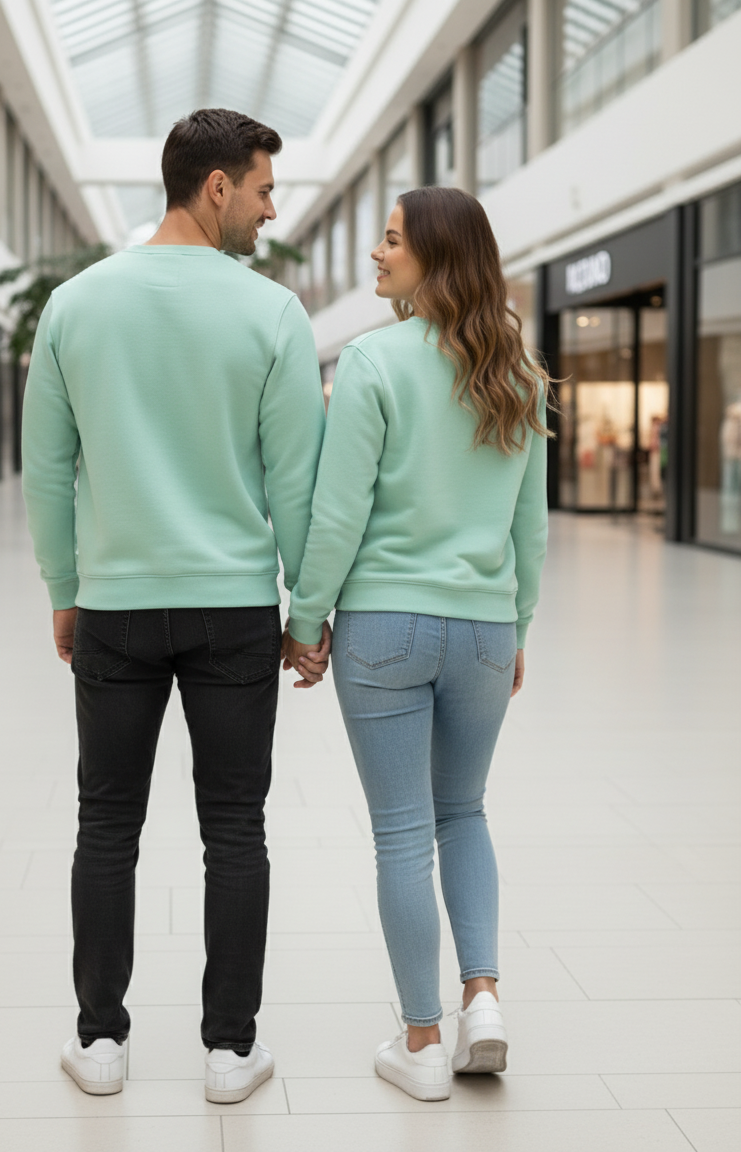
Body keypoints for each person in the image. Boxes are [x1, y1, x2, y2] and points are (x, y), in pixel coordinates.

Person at [22, 108, 330, 1105]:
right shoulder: (270, 313)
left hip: (114, 605)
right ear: (214, 188)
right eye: (263, 188)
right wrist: (308, 610)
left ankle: (99, 1042)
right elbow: (297, 486)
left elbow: (47, 472)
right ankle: (229, 1051)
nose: (269, 210)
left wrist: (65, 591)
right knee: (233, 825)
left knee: (106, 824)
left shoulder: (75, 305)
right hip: (235, 607)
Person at [282, 186, 551, 1101]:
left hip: (385, 628)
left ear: (434, 256)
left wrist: (307, 620)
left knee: (403, 831)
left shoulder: (371, 362)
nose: (376, 256)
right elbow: (531, 526)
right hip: (481, 629)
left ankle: (423, 1044)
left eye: (391, 241)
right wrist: (515, 629)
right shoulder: (517, 368)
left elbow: (338, 512)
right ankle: (484, 999)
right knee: (463, 812)